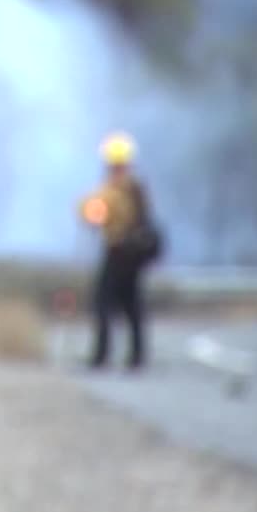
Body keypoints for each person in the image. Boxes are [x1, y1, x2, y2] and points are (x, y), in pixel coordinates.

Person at [79, 131, 163, 370]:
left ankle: (102, 355)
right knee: (131, 305)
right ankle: (137, 356)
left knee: (103, 302)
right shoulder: (137, 188)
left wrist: (91, 210)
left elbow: (93, 210)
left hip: (118, 251)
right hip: (132, 254)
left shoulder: (117, 189)